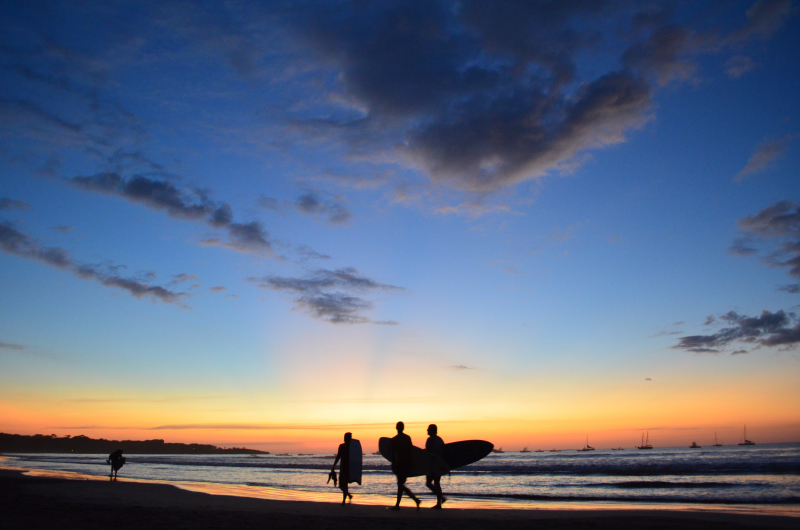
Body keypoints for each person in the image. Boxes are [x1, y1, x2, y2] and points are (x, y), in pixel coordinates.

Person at [390, 421, 420, 510]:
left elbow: (392, 454)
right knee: (400, 484)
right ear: (403, 428)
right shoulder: (407, 438)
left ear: (396, 428)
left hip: (400, 464)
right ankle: (398, 505)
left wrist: (394, 464)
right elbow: (411, 451)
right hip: (406, 463)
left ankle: (415, 499)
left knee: (400, 485)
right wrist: (412, 463)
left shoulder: (394, 439)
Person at [425, 424, 446, 508]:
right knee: (437, 483)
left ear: (432, 430)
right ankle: (439, 503)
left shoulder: (430, 439)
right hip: (439, 463)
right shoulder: (440, 439)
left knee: (429, 483)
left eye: (428, 429)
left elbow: (428, 452)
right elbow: (443, 451)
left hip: (433, 464)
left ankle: (441, 498)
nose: (427, 430)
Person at [330, 432, 354, 505]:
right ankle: (348, 495)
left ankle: (344, 501)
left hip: (346, 468)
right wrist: (334, 466)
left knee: (343, 484)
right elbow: (338, 456)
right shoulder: (346, 446)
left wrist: (334, 466)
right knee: (342, 485)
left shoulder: (347, 446)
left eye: (346, 437)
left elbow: (338, 457)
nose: (344, 438)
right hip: (345, 467)